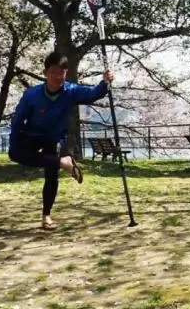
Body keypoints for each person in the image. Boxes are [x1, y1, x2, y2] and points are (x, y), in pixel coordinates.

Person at [9, 51, 114, 230]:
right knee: (14, 153)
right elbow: (17, 120)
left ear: (66, 73)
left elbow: (93, 94)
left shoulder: (71, 91)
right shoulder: (31, 95)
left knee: (51, 175)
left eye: (62, 72)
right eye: (54, 72)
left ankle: (46, 216)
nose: (58, 76)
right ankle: (64, 162)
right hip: (32, 135)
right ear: (45, 73)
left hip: (53, 137)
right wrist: (15, 141)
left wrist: (105, 82)